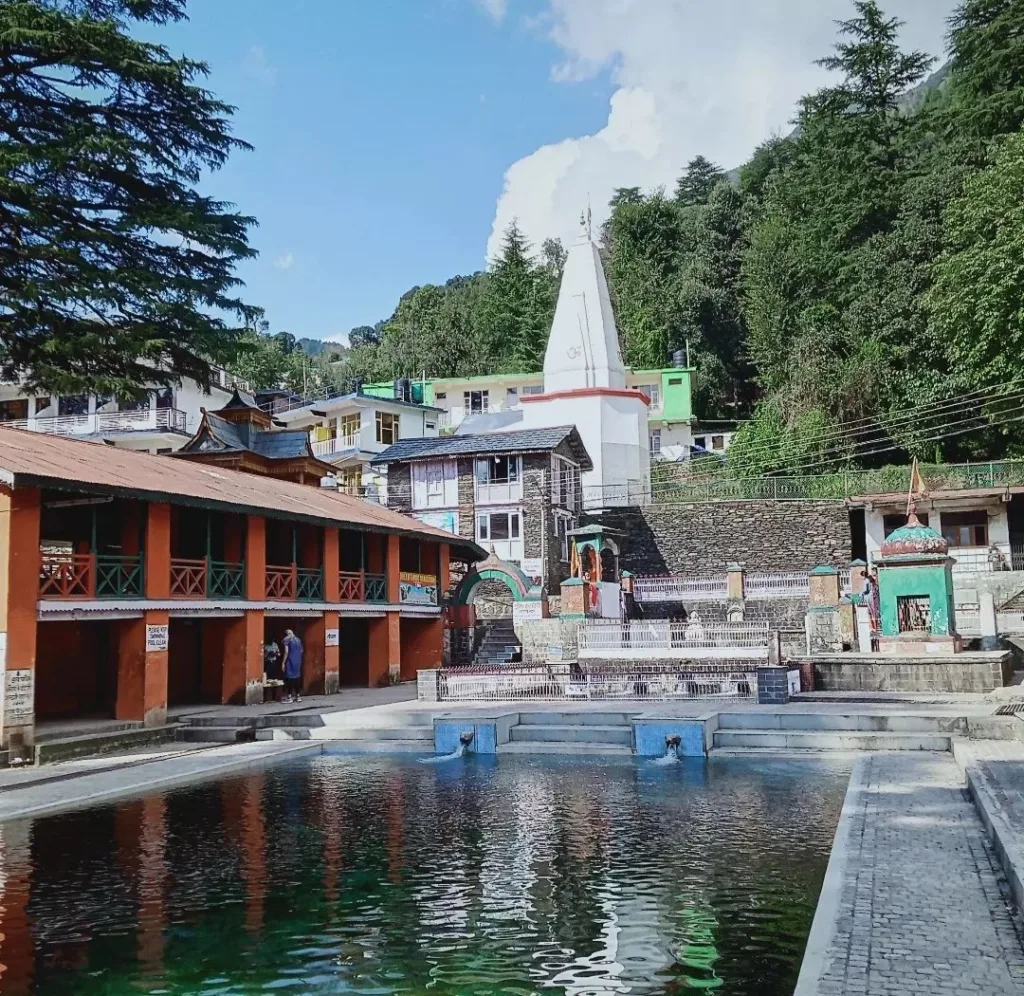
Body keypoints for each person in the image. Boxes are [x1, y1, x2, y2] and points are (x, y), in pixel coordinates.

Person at [281, 629, 303, 703]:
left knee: (289, 679)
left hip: (290, 661)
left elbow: (286, 652)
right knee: (297, 678)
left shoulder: (287, 641)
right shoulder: (298, 640)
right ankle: (298, 696)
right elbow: (301, 650)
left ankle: (289, 697)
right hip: (298, 661)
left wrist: (283, 662)